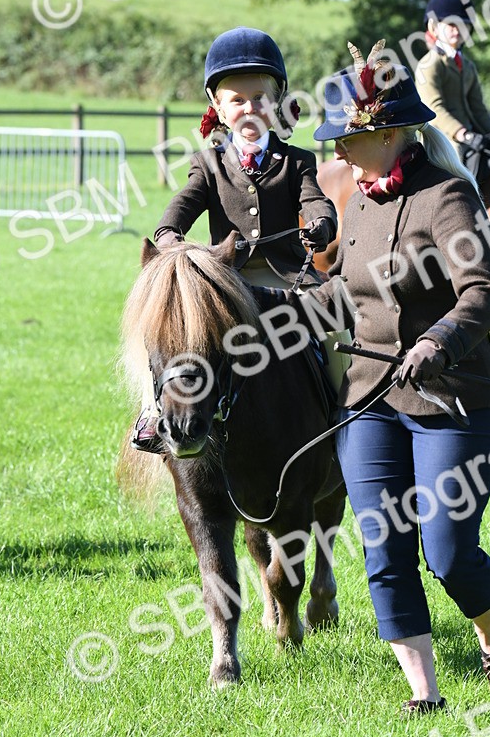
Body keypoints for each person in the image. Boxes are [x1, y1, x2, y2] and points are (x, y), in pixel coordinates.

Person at [250, 40, 490, 711]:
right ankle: (425, 696)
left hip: (453, 399)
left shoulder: (448, 196)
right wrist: (270, 313)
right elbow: (345, 294)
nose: (336, 152)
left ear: (390, 133)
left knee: (450, 552)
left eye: (347, 138)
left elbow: (482, 292)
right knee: (384, 546)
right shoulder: (363, 204)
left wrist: (438, 341)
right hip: (368, 402)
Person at [133, 26, 338, 452]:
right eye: (237, 100)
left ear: (277, 102)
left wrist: (322, 223)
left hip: (286, 282)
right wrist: (169, 234)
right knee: (176, 333)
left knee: (335, 332)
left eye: (259, 99)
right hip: (227, 283)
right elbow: (184, 202)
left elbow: (316, 201)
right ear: (219, 108)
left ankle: (349, 415)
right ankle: (155, 415)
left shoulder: (297, 160)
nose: (249, 109)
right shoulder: (208, 164)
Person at [415, 0, 490, 183]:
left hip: (471, 136)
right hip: (444, 139)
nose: (457, 30)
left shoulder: (468, 66)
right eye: (451, 24)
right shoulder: (429, 65)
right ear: (434, 27)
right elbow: (434, 109)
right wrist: (463, 134)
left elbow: (479, 110)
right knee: (460, 173)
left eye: (463, 25)